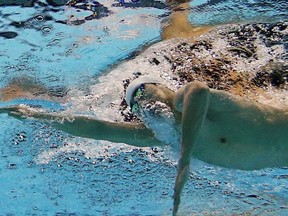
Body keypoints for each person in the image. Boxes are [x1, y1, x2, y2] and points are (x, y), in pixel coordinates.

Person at [1, 77, 287, 215]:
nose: (149, 107)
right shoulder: (159, 137)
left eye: (151, 96)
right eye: (140, 106)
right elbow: (97, 128)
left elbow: (198, 89)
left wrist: (184, 159)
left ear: (163, 92)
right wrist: (32, 114)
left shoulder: (194, 104)